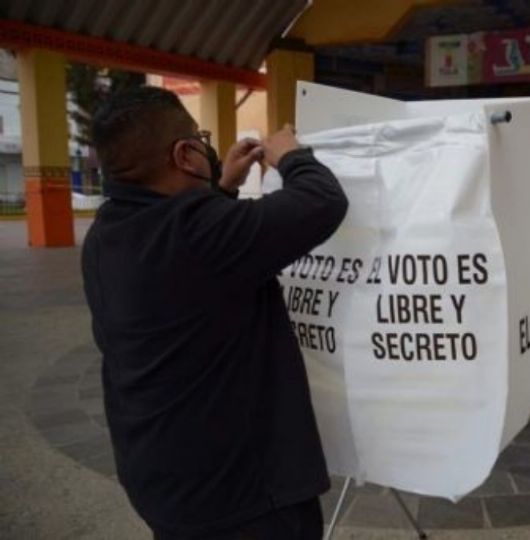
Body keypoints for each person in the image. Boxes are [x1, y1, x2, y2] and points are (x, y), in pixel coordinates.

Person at [81, 86, 348, 539]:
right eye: (200, 139)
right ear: (186, 153)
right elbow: (323, 203)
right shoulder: (199, 235)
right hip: (240, 497)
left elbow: (196, 256)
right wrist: (290, 156)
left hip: (164, 480)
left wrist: (222, 186)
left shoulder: (108, 232)